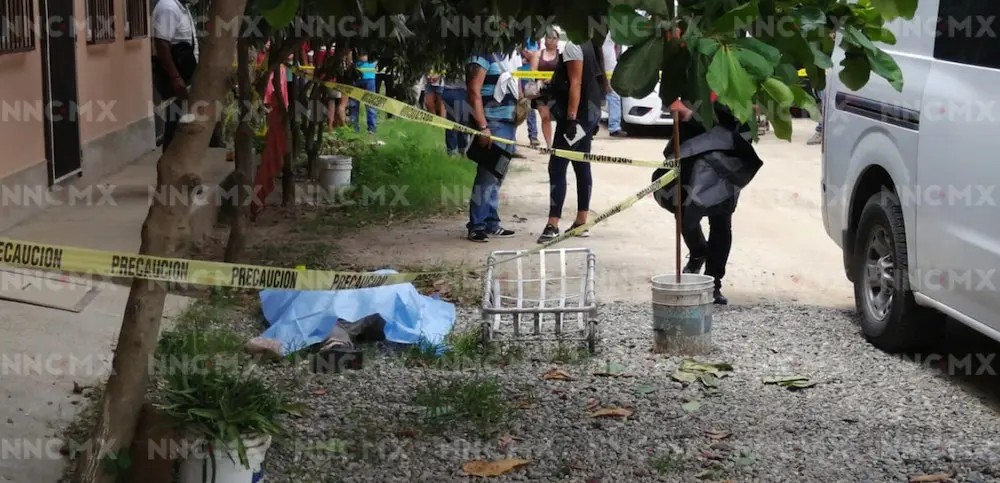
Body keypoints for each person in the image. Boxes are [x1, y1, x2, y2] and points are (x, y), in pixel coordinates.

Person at [658, 95, 763, 305]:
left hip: (728, 151)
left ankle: (714, 282)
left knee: (721, 220)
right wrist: (686, 111)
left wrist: (743, 111)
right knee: (684, 212)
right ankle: (698, 252)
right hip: (691, 147)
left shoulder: (741, 70)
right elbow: (669, 96)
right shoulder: (690, 65)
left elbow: (757, 106)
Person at [536, 38, 607, 243]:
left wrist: (571, 119)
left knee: (557, 166)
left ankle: (553, 224)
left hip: (577, 117)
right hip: (589, 114)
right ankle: (581, 221)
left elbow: (576, 83)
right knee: (581, 165)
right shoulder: (590, 45)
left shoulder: (573, 46)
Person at [465, 51, 519, 242]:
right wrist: (483, 126)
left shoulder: (504, 56)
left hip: (507, 123)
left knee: (497, 176)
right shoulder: (482, 56)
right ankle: (476, 225)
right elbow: (473, 90)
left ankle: (491, 222)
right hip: (493, 122)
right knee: (487, 177)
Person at [152, 0, 198, 149]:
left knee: (182, 123)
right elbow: (161, 44)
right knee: (175, 125)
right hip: (175, 78)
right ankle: (169, 165)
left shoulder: (183, 8)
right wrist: (175, 78)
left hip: (185, 74)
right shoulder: (168, 7)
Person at [531, 31, 560, 148]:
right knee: (545, 117)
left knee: (560, 117)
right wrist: (541, 79)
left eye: (554, 38)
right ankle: (549, 145)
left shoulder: (561, 55)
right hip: (541, 91)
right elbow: (533, 71)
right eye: (549, 37)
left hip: (557, 91)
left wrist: (553, 78)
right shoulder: (538, 54)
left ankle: (561, 144)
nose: (551, 40)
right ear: (545, 39)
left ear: (558, 40)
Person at [602, 35, 628, 138]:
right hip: (603, 67)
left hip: (609, 68)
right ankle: (613, 127)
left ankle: (614, 127)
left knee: (613, 96)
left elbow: (617, 46)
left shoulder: (611, 31)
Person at [349, 50, 378, 134]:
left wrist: (356, 57)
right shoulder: (354, 43)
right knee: (353, 105)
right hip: (356, 77)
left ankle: (371, 129)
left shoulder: (372, 45)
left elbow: (366, 58)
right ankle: (354, 129)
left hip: (369, 77)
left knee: (370, 104)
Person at [519, 38, 541, 148]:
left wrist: (523, 52)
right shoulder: (519, 38)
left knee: (529, 107)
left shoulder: (533, 39)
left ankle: (533, 136)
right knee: (515, 106)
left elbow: (533, 56)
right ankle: (511, 137)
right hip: (516, 76)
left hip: (528, 77)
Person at [441, 74, 470, 156]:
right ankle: (454, 151)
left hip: (448, 90)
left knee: (458, 122)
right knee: (459, 123)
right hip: (459, 91)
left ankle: (455, 150)